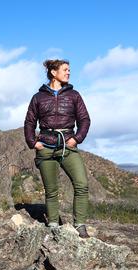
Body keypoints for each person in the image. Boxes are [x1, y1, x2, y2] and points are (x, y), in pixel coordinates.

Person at [24, 59, 91, 238]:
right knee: (51, 190)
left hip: (68, 145)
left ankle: (80, 225)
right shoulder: (38, 97)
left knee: (82, 184)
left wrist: (77, 139)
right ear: (53, 72)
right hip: (45, 146)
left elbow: (84, 119)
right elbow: (30, 122)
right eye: (65, 70)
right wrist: (33, 142)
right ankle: (53, 224)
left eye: (69, 70)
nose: (68, 73)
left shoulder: (74, 95)